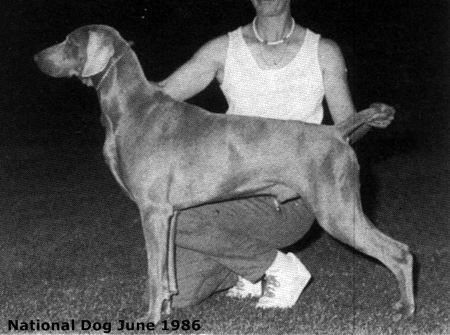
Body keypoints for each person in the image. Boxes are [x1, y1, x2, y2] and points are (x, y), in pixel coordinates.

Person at [157, 0, 394, 309]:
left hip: (293, 196)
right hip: (230, 191)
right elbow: (158, 94)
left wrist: (368, 120)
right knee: (178, 296)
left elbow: (345, 131)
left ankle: (278, 268)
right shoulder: (222, 49)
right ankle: (250, 271)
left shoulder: (323, 51)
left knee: (175, 215)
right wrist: (110, 69)